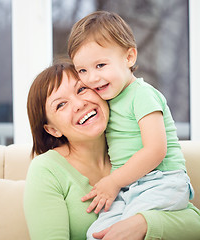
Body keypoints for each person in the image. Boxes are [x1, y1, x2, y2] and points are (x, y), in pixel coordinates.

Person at [24, 59, 200, 240]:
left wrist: (143, 224)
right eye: (61, 105)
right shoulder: (46, 169)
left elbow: (195, 223)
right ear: (53, 129)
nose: (79, 104)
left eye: (81, 89)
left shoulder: (137, 155)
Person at [68, 11, 195, 238]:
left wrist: (113, 181)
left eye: (100, 65)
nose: (92, 78)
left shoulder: (142, 94)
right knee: (96, 233)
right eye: (83, 70)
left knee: (127, 230)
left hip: (162, 181)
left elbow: (156, 150)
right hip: (129, 188)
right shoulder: (104, 102)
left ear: (129, 58)